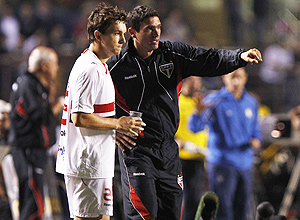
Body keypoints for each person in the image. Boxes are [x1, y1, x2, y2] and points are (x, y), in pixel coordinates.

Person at [107, 5, 262, 220]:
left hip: (169, 151)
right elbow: (95, 106)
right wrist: (113, 127)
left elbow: (208, 58)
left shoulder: (172, 54)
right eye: (149, 29)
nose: (156, 33)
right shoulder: (115, 68)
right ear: (132, 32)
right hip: (137, 152)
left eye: (159, 27)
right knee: (143, 215)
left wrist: (239, 56)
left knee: (172, 214)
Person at [55, 3, 145, 220]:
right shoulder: (89, 69)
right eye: (116, 34)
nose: (123, 40)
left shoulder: (100, 65)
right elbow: (79, 117)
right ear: (98, 35)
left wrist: (114, 132)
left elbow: (93, 115)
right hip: (87, 166)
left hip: (95, 163)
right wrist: (118, 124)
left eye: (124, 34)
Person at [189, 67, 262, 220]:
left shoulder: (251, 102)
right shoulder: (214, 100)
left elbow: (255, 128)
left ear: (245, 78)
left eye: (239, 77)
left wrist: (256, 140)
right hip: (222, 163)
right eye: (232, 77)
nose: (236, 81)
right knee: (223, 211)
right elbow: (195, 128)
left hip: (245, 164)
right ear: (224, 77)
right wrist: (198, 113)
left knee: (242, 210)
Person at [8, 46, 58, 220]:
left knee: (33, 201)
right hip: (28, 150)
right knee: (33, 205)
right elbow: (37, 115)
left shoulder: (35, 85)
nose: (57, 68)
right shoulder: (28, 84)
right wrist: (57, 107)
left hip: (33, 151)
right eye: (54, 64)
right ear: (44, 66)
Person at [174, 76, 208, 220]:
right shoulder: (176, 101)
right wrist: (174, 140)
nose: (196, 83)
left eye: (198, 80)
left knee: (195, 198)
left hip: (198, 157)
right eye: (192, 80)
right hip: (179, 157)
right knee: (178, 197)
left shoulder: (202, 103)